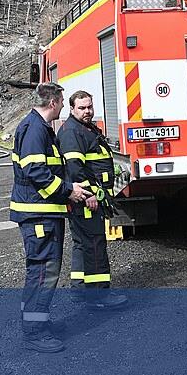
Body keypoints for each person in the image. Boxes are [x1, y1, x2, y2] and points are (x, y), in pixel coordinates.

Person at [10, 82, 92, 353]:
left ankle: (36, 323)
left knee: (41, 272)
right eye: (61, 100)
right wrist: (69, 191)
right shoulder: (35, 129)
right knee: (42, 272)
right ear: (55, 102)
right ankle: (34, 332)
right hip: (38, 216)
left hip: (43, 214)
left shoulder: (38, 128)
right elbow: (36, 171)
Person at [58, 91, 128, 310]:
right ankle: (99, 295)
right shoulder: (71, 132)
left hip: (88, 197)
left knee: (82, 243)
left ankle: (80, 290)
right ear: (72, 109)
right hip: (86, 199)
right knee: (95, 244)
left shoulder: (84, 128)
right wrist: (89, 195)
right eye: (82, 108)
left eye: (89, 107)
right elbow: (75, 169)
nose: (87, 111)